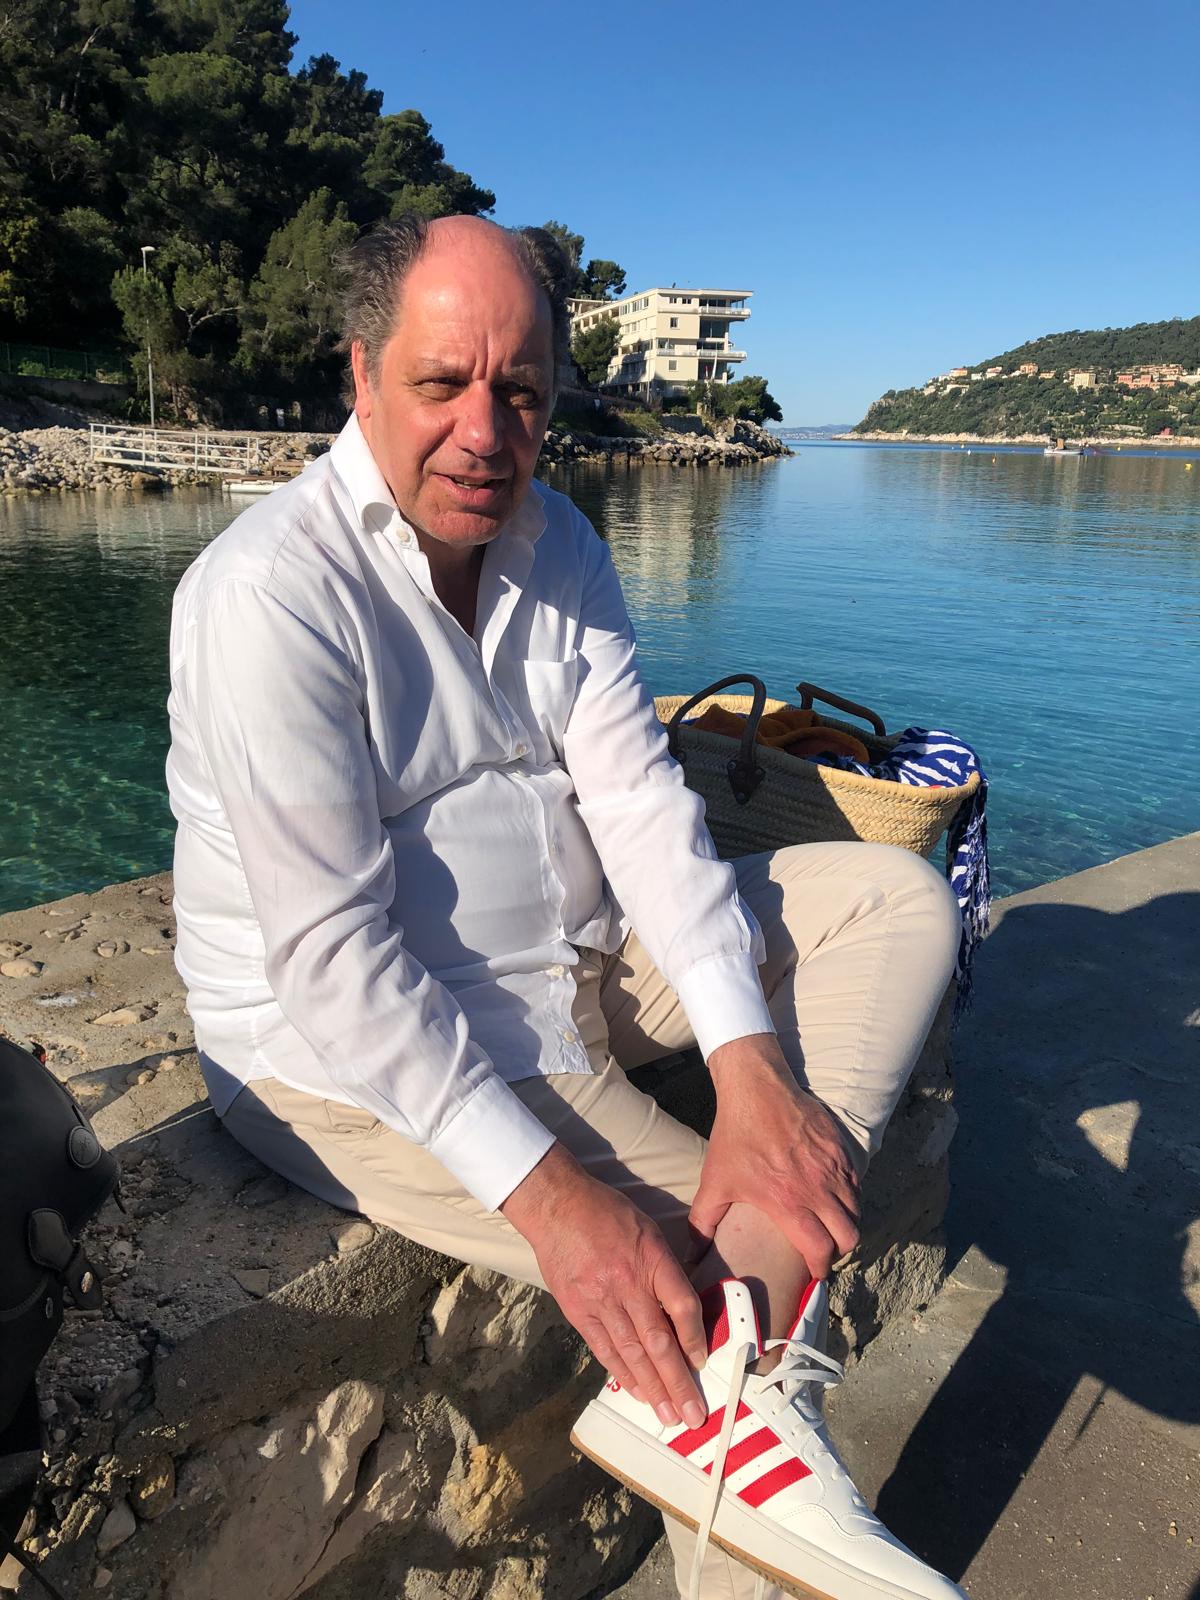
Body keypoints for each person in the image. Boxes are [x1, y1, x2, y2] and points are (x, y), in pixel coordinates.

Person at [166, 213, 965, 1600]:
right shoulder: (269, 596)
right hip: (355, 1056)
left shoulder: (563, 546)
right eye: (443, 383)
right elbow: (338, 969)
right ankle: (746, 1414)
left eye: (522, 391)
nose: (487, 428)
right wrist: (555, 1206)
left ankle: (735, 1388)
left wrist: (753, 1071)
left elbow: (646, 813)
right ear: (361, 377)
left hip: (582, 965)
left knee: (896, 901)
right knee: (701, 1311)